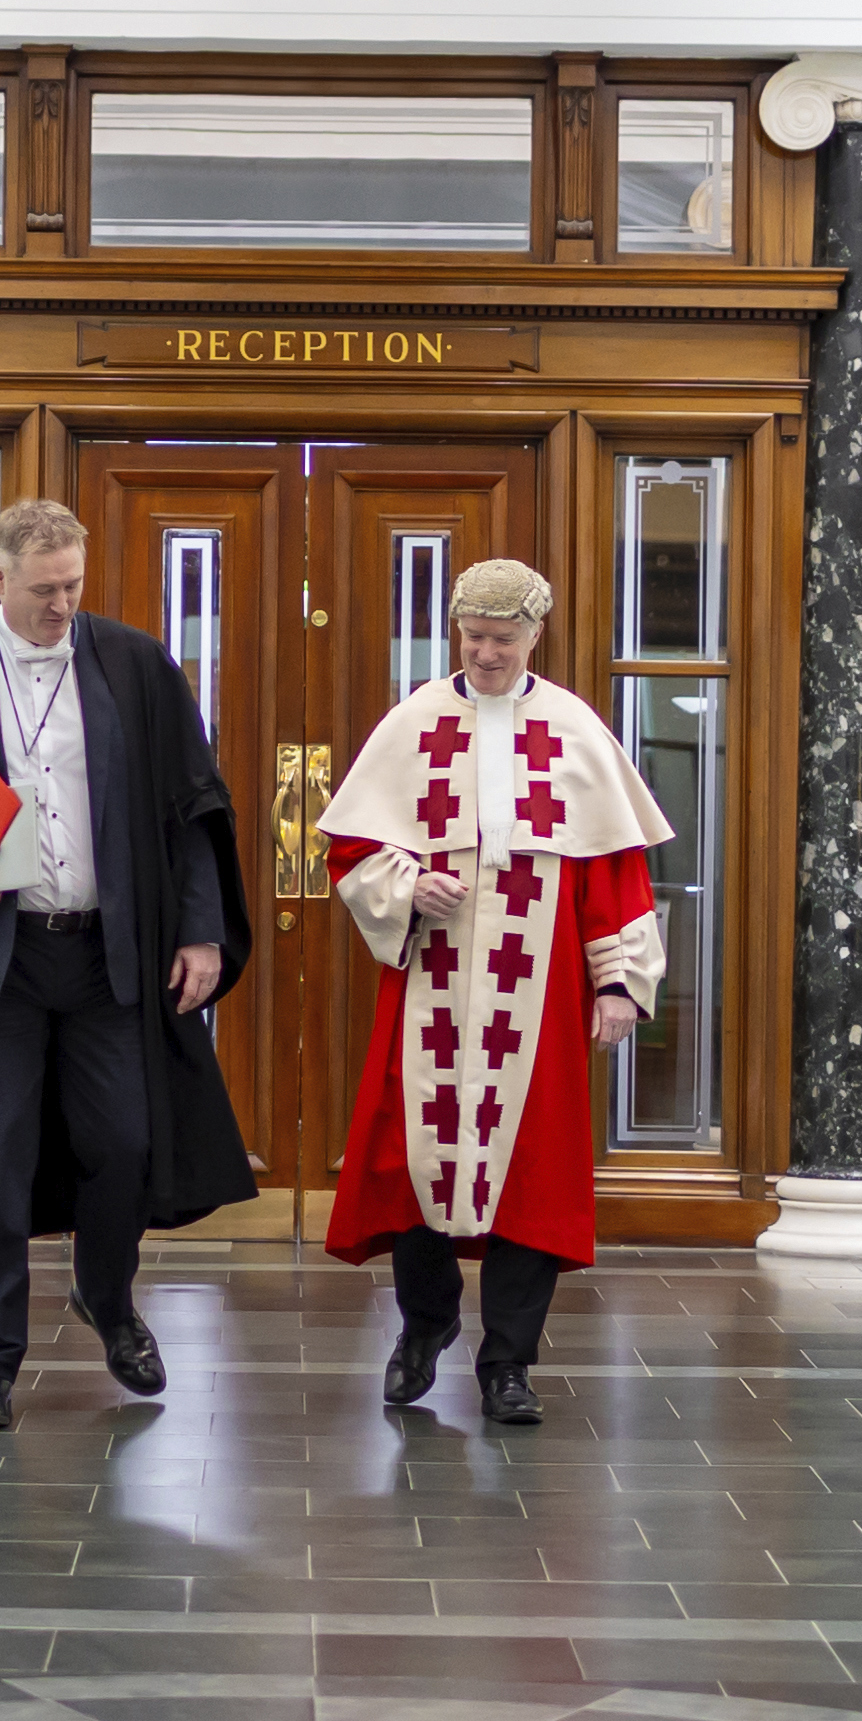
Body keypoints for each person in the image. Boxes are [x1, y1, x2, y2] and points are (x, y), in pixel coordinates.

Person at [0, 498, 252, 1426]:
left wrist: (199, 930)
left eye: (73, 585)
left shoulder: (136, 664)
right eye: (43, 590)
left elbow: (192, 808)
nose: (63, 605)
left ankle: (107, 1298)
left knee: (127, 1144)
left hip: (109, 952)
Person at [316, 559, 670, 1426]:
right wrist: (408, 884)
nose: (485, 654)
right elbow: (352, 851)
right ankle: (423, 1327)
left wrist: (617, 981)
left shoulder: (574, 729)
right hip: (432, 984)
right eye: (472, 638)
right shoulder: (417, 722)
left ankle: (508, 1363)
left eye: (502, 640)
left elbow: (613, 869)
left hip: (539, 991)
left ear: (533, 637)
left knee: (533, 1175)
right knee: (415, 1166)